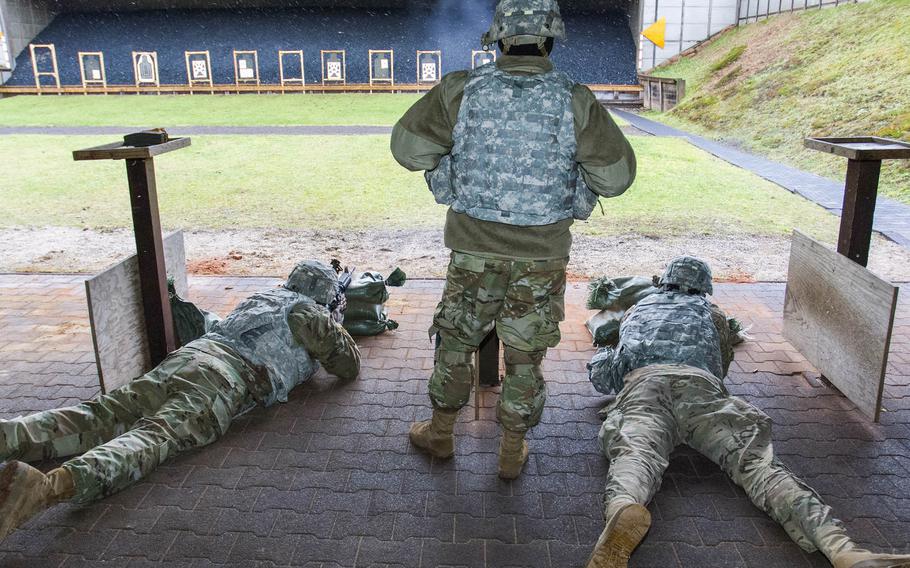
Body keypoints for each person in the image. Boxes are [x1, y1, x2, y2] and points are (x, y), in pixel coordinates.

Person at [390, 0, 636, 479]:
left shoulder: (462, 90)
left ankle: (441, 434)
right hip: (541, 256)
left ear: (499, 39)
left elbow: (408, 148)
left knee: (457, 341)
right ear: (549, 40)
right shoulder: (575, 99)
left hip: (473, 251)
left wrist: (453, 159)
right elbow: (616, 178)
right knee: (525, 353)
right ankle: (510, 452)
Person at [584, 256, 910, 568]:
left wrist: (604, 353)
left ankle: (623, 508)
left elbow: (605, 378)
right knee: (759, 467)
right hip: (703, 394)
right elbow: (721, 367)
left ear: (664, 281)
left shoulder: (637, 311)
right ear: (703, 287)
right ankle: (841, 549)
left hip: (646, 389)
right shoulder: (713, 315)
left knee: (635, 456)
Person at [0, 260, 361, 541]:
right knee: (153, 438)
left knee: (100, 414)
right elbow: (347, 366)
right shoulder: (308, 313)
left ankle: (9, 437)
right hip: (223, 380)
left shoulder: (263, 296)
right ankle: (46, 488)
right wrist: (334, 321)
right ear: (323, 296)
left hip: (188, 358)